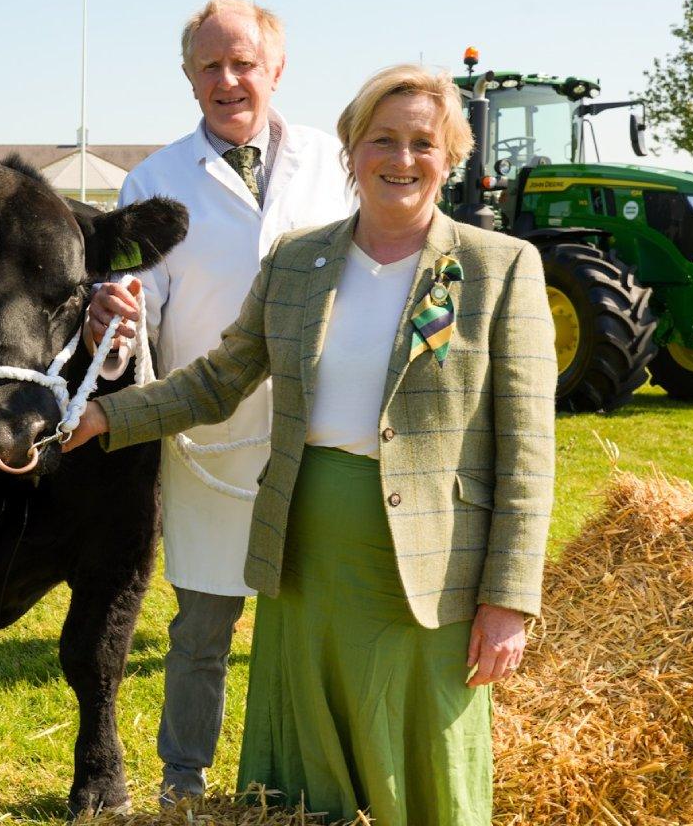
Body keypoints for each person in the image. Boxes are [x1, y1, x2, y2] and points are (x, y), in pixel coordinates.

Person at [69, 63, 556, 824]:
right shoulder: (298, 260)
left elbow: (527, 452)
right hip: (306, 556)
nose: (401, 159)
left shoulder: (502, 269)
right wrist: (107, 418)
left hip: (433, 570)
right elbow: (217, 381)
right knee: (311, 772)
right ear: (351, 149)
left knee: (424, 765)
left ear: (450, 155)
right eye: (382, 140)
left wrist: (509, 600)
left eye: (422, 143)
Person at [81, 0, 355, 803]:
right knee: (203, 627)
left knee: (314, 624)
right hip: (210, 435)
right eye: (210, 66)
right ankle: (184, 786)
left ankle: (316, 782)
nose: (228, 80)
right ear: (188, 75)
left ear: (276, 70)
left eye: (244, 64)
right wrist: (119, 323)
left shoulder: (333, 163)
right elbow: (142, 308)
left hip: (326, 432)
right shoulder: (154, 180)